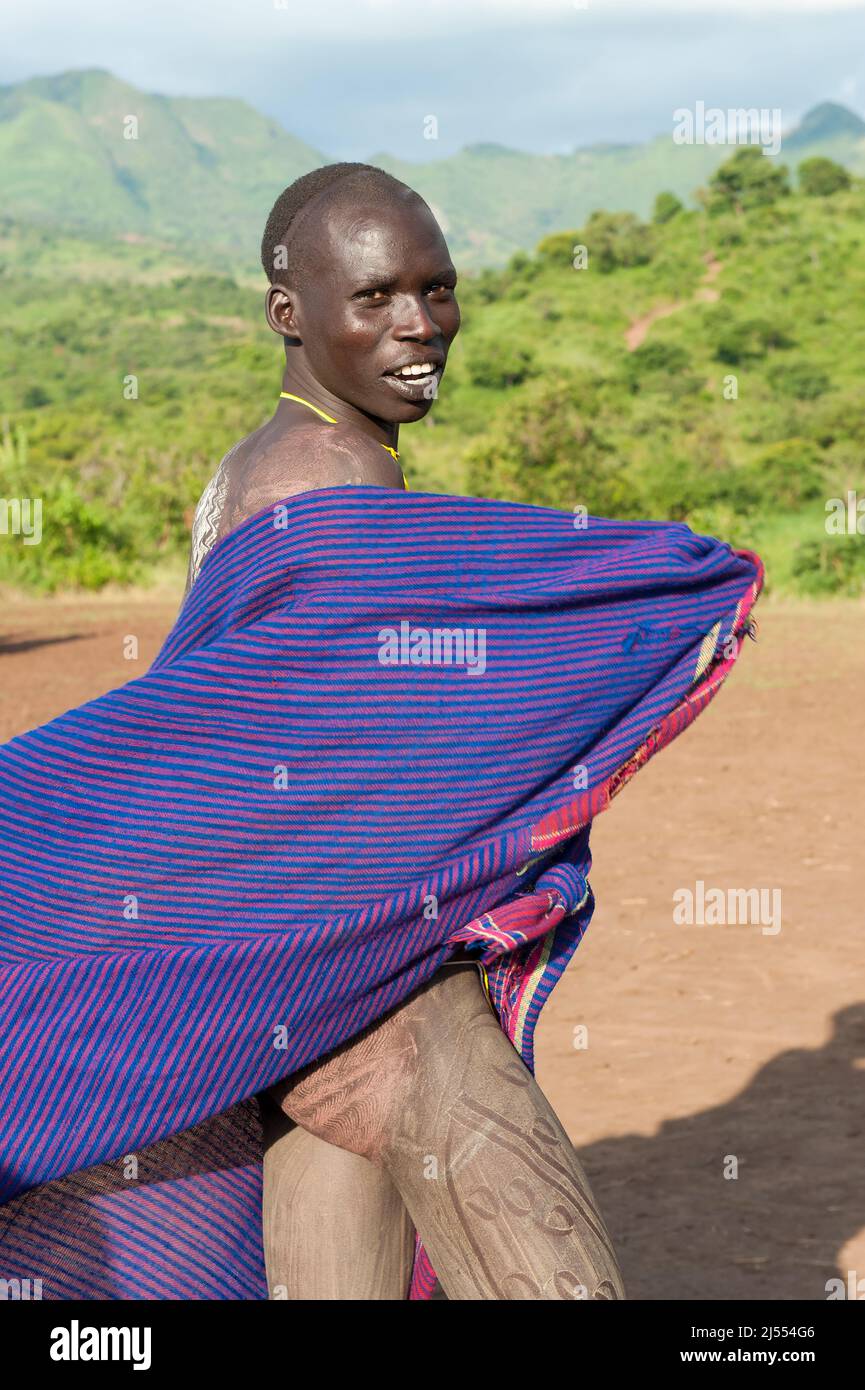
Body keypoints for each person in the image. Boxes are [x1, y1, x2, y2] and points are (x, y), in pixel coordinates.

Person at [183, 162, 625, 1301]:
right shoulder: (331, 479)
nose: (420, 324)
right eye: (374, 297)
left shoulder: (269, 459)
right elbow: (355, 762)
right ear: (289, 315)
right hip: (380, 977)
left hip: (294, 979)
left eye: (437, 289)